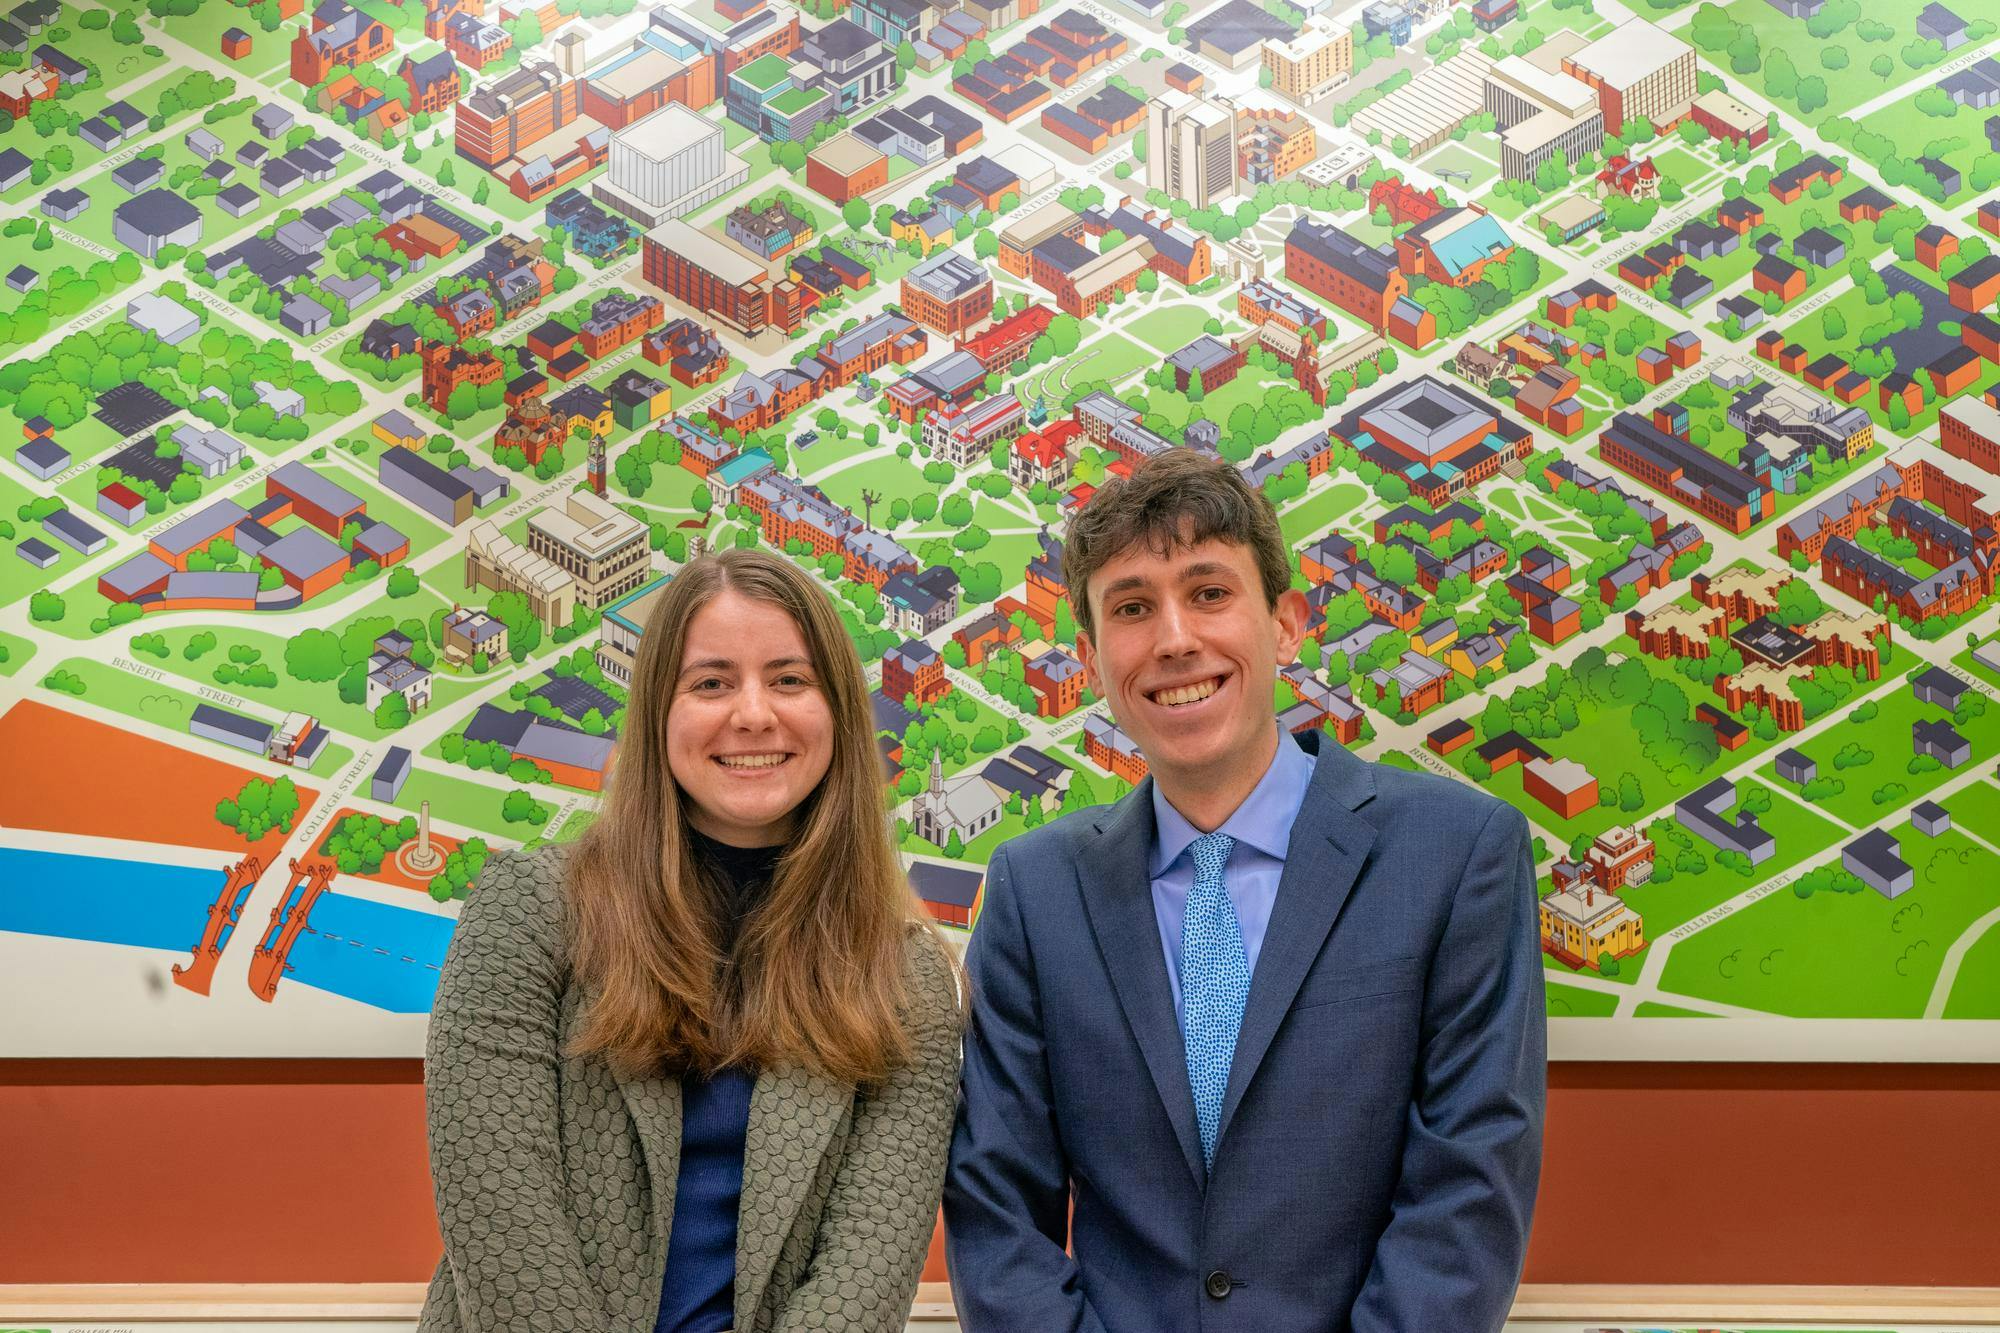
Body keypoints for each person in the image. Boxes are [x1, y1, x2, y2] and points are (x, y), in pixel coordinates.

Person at [944, 449, 1546, 1332]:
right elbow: (997, 1214)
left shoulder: (1458, 856)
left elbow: (1470, 1189)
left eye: (1210, 591)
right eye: (1133, 607)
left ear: (1287, 623)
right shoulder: (1036, 892)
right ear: (1091, 656)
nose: (1175, 637)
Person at [420, 547, 963, 1333]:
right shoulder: (528, 912)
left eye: (789, 679)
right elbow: (499, 1215)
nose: (752, 713)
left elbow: (863, 1280)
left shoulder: (904, 977)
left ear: (838, 710)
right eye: (711, 682)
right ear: (658, 713)